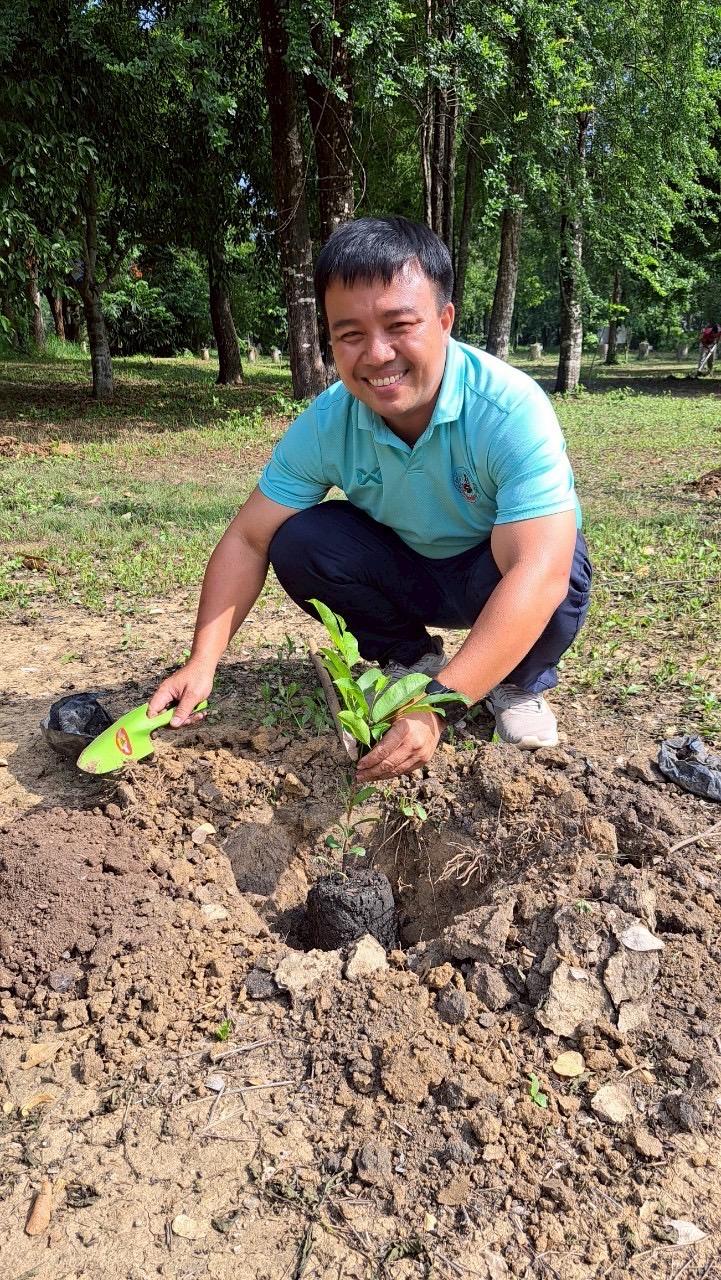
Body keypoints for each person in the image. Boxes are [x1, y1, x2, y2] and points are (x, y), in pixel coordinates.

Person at [149, 217, 591, 782]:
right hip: (407, 570)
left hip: (494, 576)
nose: (377, 354)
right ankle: (412, 660)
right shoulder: (330, 421)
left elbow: (539, 572)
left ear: (444, 321)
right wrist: (202, 661)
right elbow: (247, 538)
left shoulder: (507, 410)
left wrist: (436, 709)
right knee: (300, 540)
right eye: (350, 334)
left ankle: (515, 682)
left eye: (399, 325)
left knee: (560, 561)